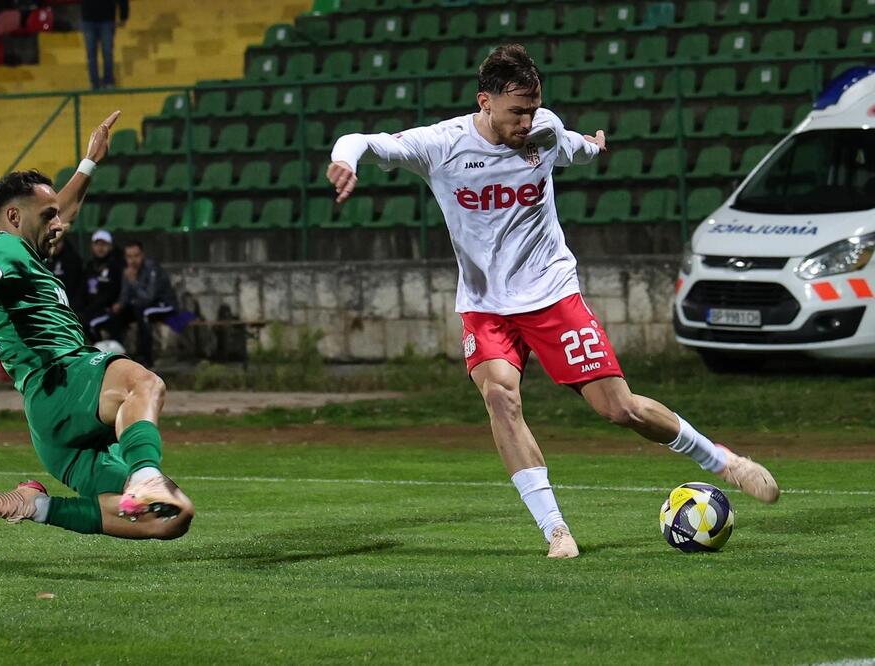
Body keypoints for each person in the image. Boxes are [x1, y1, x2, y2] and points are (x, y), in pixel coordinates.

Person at [326, 44, 780, 559]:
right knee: (501, 398)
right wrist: (345, 160)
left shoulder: (543, 129)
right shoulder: (441, 145)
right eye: (516, 110)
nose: (527, 120)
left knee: (620, 409)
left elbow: (572, 146)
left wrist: (592, 145)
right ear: (485, 101)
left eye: (533, 108)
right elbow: (360, 138)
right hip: (485, 305)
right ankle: (556, 530)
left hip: (551, 294)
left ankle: (724, 462)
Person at [0, 111, 194, 540]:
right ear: (16, 218)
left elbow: (65, 206)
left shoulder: (26, 246)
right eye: (48, 216)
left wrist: (89, 162)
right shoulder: (5, 248)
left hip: (53, 426)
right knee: (143, 384)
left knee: (169, 515)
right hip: (65, 381)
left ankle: (35, 506)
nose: (59, 224)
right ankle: (145, 474)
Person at [106, 240, 177, 368]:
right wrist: (119, 305)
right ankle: (117, 356)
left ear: (142, 255)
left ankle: (145, 357)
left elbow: (150, 297)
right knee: (116, 315)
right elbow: (125, 295)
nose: (133, 260)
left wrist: (133, 281)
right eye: (129, 257)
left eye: (136, 256)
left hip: (163, 304)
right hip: (141, 306)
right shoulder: (127, 271)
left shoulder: (152, 269)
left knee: (143, 313)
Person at [79, 228, 124, 339]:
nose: (100, 248)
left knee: (89, 324)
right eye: (97, 244)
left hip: (107, 310)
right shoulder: (89, 265)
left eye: (104, 244)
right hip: (91, 308)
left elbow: (113, 291)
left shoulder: (116, 265)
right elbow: (83, 289)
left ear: (110, 246)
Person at [80, 0, 128, 90]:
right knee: (92, 54)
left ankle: (108, 81)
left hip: (107, 19)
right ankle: (95, 83)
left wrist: (123, 15)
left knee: (107, 53)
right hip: (89, 18)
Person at [48, 235, 85, 314]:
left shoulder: (72, 259)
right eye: (53, 242)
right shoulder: (46, 258)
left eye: (58, 242)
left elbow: (76, 286)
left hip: (69, 303)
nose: (55, 245)